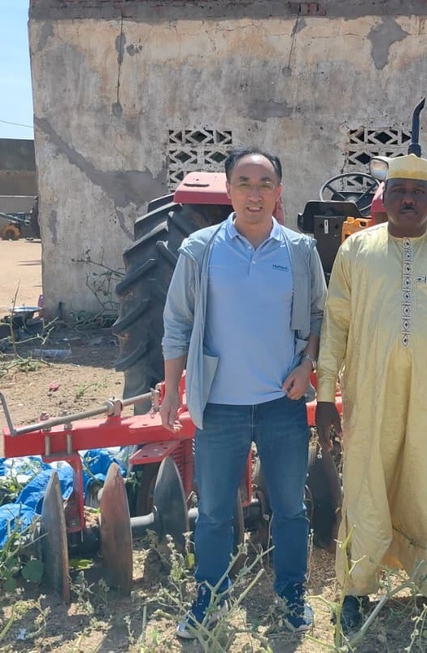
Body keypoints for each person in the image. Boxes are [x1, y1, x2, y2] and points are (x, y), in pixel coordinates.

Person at [315, 154, 427, 632]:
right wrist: (324, 397)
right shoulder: (357, 251)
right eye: (399, 191)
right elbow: (335, 326)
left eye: (419, 192)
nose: (409, 200)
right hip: (368, 395)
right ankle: (357, 588)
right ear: (386, 198)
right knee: (365, 483)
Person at [159, 147, 327, 638]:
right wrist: (173, 391)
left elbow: (317, 315)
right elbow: (177, 323)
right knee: (212, 511)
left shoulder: (299, 250)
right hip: (220, 406)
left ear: (279, 191)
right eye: (245, 183)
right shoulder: (200, 249)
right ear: (228, 190)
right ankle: (208, 599)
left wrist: (309, 364)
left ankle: (292, 594)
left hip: (282, 404)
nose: (255, 194)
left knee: (291, 507)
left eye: (265, 183)